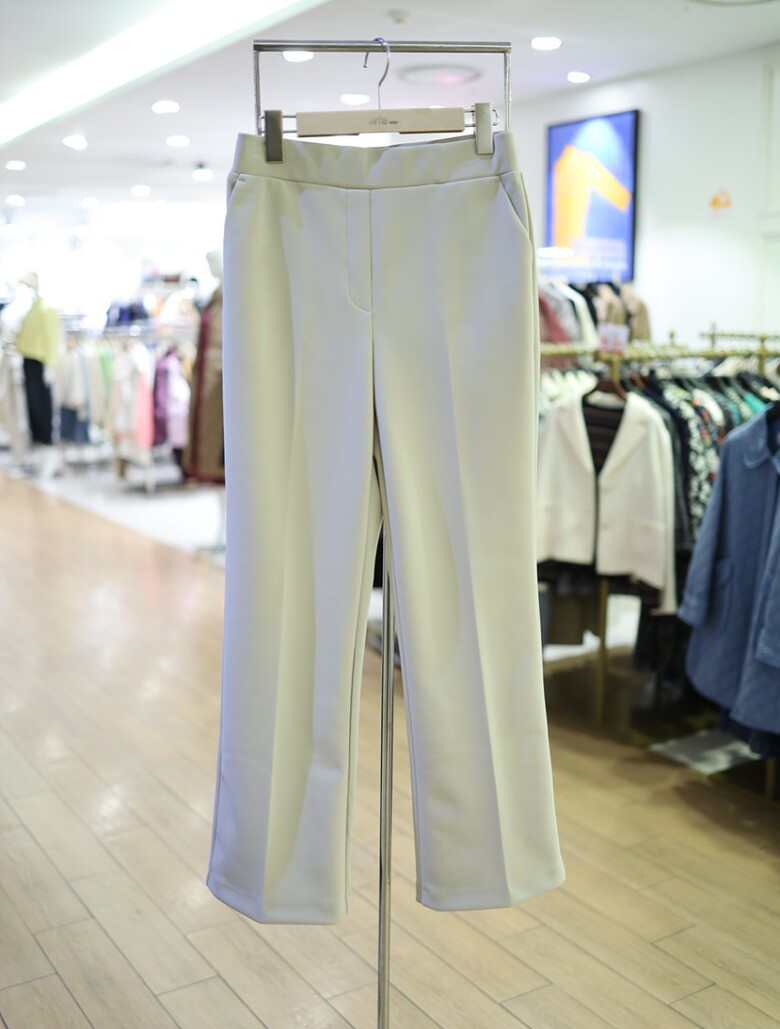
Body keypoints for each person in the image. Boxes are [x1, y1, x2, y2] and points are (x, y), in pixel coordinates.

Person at [0, 272, 62, 478]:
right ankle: (40, 455)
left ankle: (49, 455)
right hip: (27, 362)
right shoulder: (31, 309)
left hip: (39, 363)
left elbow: (52, 338)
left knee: (42, 410)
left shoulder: (45, 310)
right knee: (33, 410)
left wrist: (50, 365)